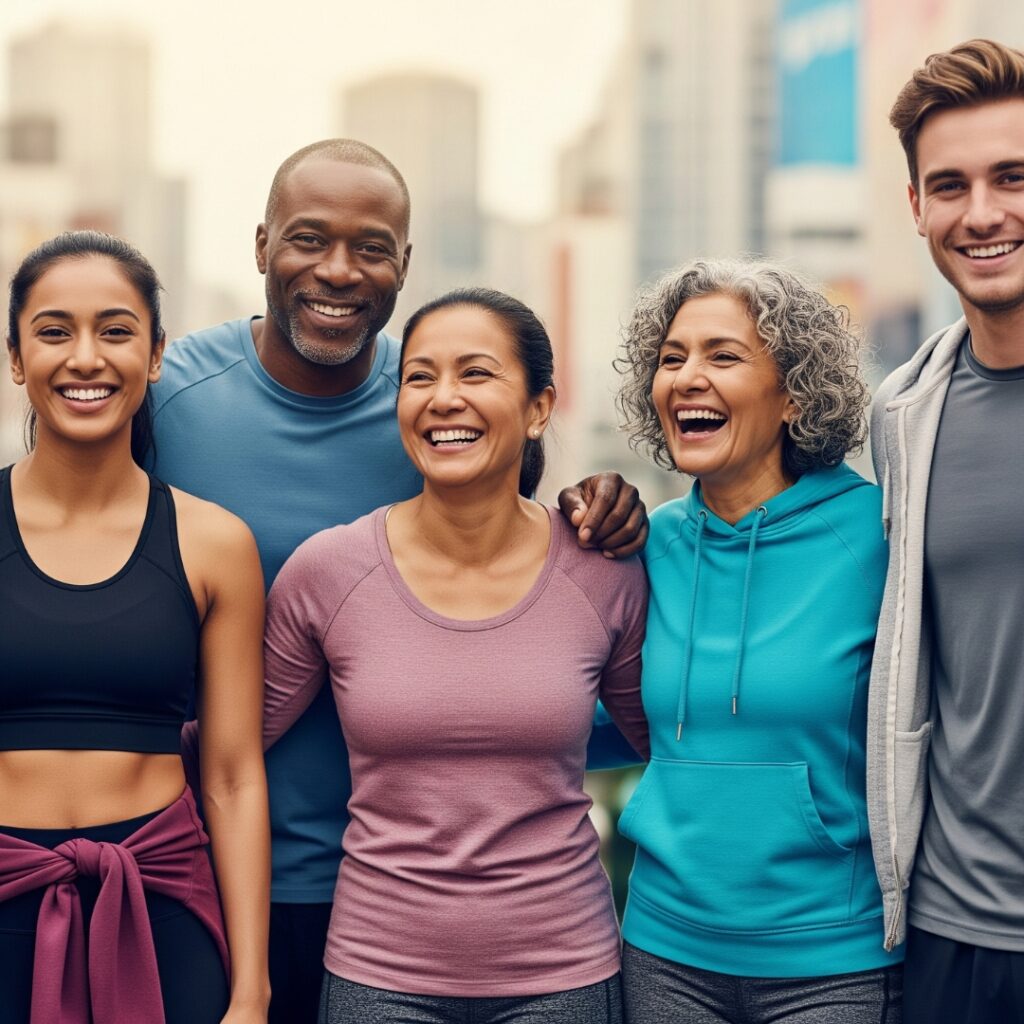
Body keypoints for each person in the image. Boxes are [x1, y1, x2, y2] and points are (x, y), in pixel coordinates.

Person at [151, 139, 649, 1021]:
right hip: (211, 869)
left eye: (371, 247)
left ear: (405, 265)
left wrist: (607, 506)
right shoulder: (169, 398)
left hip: (404, 906)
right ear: (261, 246)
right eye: (308, 240)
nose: (337, 272)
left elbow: (528, 569)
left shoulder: (433, 408)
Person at [262, 287, 649, 1024]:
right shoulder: (328, 570)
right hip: (377, 973)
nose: (444, 399)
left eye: (476, 374)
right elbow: (230, 745)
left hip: (564, 974)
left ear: (540, 407)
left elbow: (665, 738)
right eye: (419, 377)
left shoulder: (604, 568)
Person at [614, 257, 903, 1023]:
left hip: (830, 958)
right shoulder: (649, 543)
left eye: (723, 356)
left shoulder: (875, 538)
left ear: (795, 395)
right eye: (672, 358)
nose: (687, 377)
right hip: (663, 951)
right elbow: (596, 711)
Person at [0, 231, 270, 1024]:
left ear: (155, 356)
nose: (86, 358)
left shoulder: (216, 543)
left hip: (163, 904)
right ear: (16, 358)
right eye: (54, 332)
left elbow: (232, 777)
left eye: (116, 331)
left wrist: (250, 992)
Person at [869, 39, 1024, 1023]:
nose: (982, 213)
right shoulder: (901, 414)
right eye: (950, 184)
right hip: (954, 934)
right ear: (916, 207)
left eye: (1013, 177)